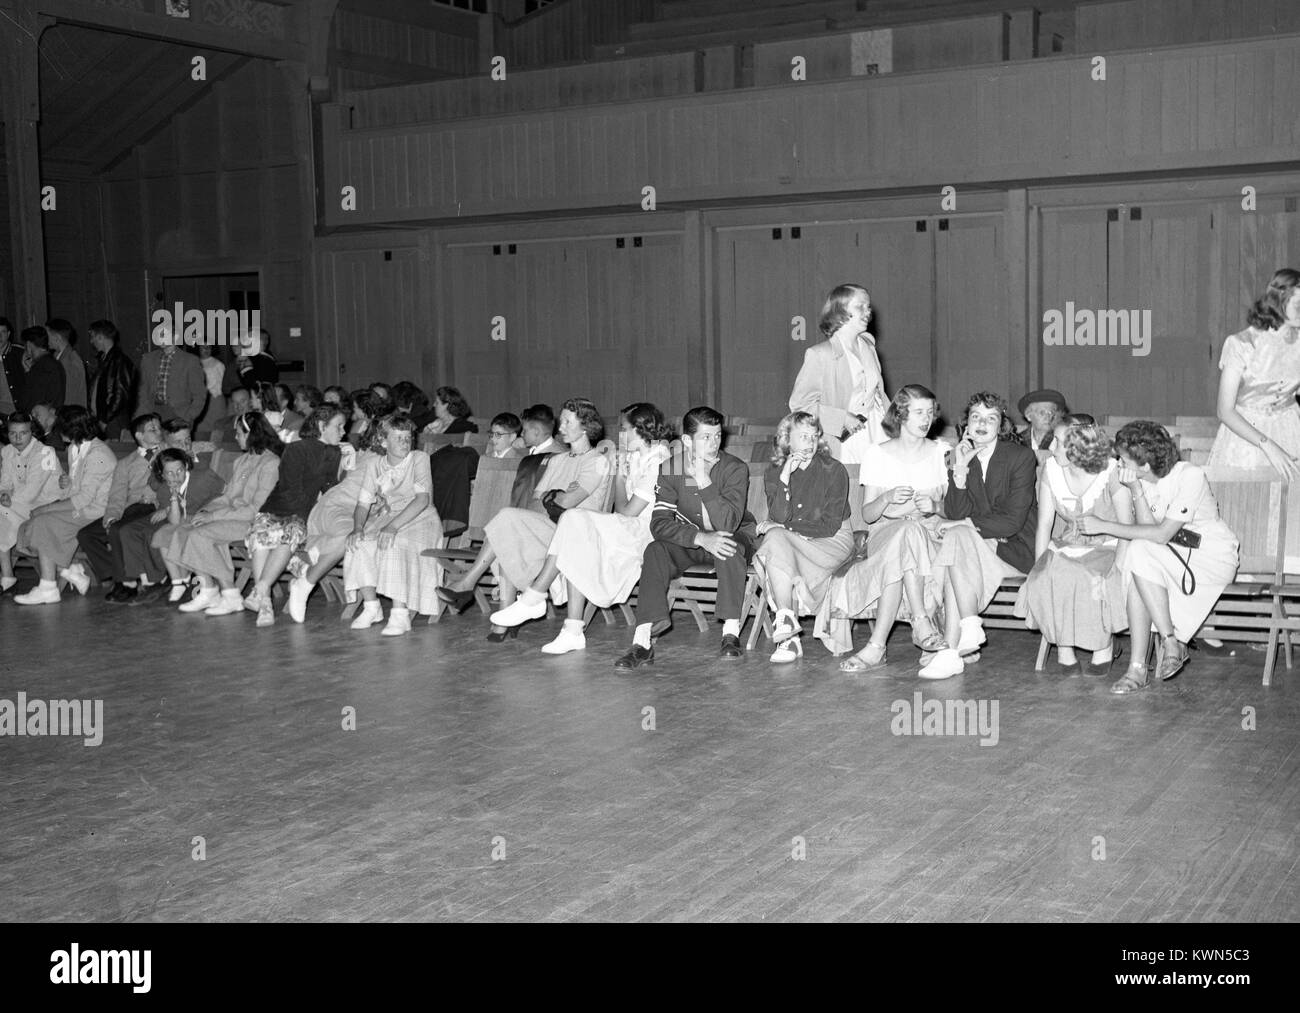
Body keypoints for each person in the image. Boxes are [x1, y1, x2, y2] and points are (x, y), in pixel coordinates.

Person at [486, 403, 671, 654]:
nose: (620, 435)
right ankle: (571, 629)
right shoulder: (635, 457)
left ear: (642, 430)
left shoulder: (659, 460)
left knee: (575, 520)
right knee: (575, 530)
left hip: (644, 532)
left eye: (625, 429)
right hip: (626, 524)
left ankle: (535, 598)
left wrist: (618, 476)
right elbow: (621, 508)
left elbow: (627, 512)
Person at [1078, 421, 1240, 694]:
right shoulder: (1138, 480)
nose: (1117, 463)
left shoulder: (1189, 475)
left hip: (1209, 557)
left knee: (1139, 553)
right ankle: (1164, 646)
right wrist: (1137, 492)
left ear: (1143, 465)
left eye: (1123, 459)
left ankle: (1143, 664)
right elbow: (1147, 531)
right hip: (1169, 554)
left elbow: (1162, 534)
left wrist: (1103, 526)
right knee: (1137, 552)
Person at [437, 398, 611, 640]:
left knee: (509, 523)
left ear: (585, 427)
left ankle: (470, 584)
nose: (560, 428)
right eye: (561, 421)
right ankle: (491, 599)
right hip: (550, 529)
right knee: (508, 522)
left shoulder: (597, 461)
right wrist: (556, 495)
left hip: (578, 537)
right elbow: (538, 501)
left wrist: (554, 497)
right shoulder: (556, 460)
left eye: (567, 422)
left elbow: (568, 503)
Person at [614, 405, 757, 668]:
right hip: (694, 539)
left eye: (717, 436)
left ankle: (730, 633)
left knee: (726, 545)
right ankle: (643, 640)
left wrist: (703, 480)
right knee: (656, 550)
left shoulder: (734, 468)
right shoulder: (671, 468)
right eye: (706, 437)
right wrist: (699, 538)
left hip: (734, 536)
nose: (714, 443)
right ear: (688, 440)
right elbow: (659, 524)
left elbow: (727, 522)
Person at [823, 385, 950, 671]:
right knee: (904, 533)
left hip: (929, 533)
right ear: (901, 414)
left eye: (930, 412)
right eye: (918, 412)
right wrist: (887, 497)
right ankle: (922, 622)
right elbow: (868, 515)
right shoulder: (876, 454)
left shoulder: (942, 452)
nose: (926, 419)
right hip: (884, 532)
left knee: (907, 540)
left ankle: (876, 647)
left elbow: (952, 508)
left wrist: (933, 506)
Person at [925, 391, 1039, 680]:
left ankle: (954, 646)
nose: (982, 423)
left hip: (1014, 548)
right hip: (976, 545)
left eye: (991, 418)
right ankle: (964, 633)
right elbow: (954, 512)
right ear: (966, 425)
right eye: (975, 417)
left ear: (1001, 425)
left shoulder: (1021, 456)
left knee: (955, 541)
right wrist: (960, 470)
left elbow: (1011, 522)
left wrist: (961, 524)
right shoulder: (959, 456)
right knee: (956, 541)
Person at [1014, 414, 1133, 672]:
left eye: (1058, 442)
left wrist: (1119, 569)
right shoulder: (1051, 469)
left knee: (1084, 576)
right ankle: (1063, 646)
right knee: (1045, 576)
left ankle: (1103, 645)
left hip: (1109, 546)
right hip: (1069, 544)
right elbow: (1045, 523)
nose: (1051, 448)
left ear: (1078, 446)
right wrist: (1039, 564)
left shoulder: (1111, 471)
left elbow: (1127, 528)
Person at [157, 411, 282, 615]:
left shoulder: (270, 463)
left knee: (199, 534)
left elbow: (255, 509)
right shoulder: (242, 461)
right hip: (231, 516)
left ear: (252, 435)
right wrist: (206, 510)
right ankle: (208, 589)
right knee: (182, 530)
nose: (235, 437)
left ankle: (230, 593)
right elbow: (227, 497)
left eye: (239, 433)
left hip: (254, 521)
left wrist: (213, 517)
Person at [753, 411, 853, 663]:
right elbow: (778, 515)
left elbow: (830, 526)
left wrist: (786, 530)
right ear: (787, 440)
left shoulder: (833, 470)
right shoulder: (774, 472)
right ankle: (787, 621)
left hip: (832, 540)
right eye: (802, 437)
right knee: (776, 541)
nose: (809, 443)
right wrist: (785, 477)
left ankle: (788, 638)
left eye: (813, 436)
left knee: (775, 541)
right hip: (790, 541)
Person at [237, 405, 348, 626]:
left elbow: (328, 488)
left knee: (289, 532)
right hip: (278, 507)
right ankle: (264, 601)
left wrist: (346, 469)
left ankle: (260, 590)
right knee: (262, 536)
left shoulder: (334, 452)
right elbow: (290, 488)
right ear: (321, 426)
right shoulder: (296, 449)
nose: (343, 431)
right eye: (339, 426)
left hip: (301, 513)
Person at [343, 413, 444, 636]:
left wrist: (393, 527)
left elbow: (422, 500)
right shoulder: (373, 465)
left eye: (408, 438)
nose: (404, 443)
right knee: (358, 543)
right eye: (398, 438)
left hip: (420, 518)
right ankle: (372, 607)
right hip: (388, 517)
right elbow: (362, 504)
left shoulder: (419, 459)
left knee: (394, 543)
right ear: (382, 441)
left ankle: (400, 613)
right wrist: (357, 528)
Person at [13, 406, 116, 605]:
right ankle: (69, 570)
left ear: (73, 430)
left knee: (43, 522)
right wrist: (67, 484)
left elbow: (83, 499)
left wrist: (46, 508)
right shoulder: (74, 449)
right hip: (82, 507)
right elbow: (76, 489)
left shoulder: (98, 454)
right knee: (31, 524)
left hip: (95, 512)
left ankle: (49, 586)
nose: (59, 433)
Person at [1206, 268, 1300, 479]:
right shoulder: (1241, 344)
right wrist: (1268, 445)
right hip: (1248, 437)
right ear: (1279, 301)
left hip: (1290, 428)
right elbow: (1224, 411)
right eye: (1298, 305)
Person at [285, 427, 381, 623]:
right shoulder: (375, 458)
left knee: (353, 536)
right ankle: (306, 581)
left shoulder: (370, 455)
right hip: (338, 508)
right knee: (352, 538)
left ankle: (310, 559)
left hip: (340, 509)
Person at [789, 284, 890, 460]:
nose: (868, 312)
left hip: (876, 433)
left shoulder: (869, 347)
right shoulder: (820, 354)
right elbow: (800, 406)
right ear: (840, 311)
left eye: (868, 307)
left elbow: (879, 396)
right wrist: (841, 418)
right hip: (843, 440)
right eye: (860, 306)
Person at [77, 413, 164, 601]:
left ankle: (127, 583)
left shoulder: (167, 452)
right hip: (129, 508)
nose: (159, 432)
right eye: (152, 429)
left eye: (159, 428)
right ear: (139, 436)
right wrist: (111, 515)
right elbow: (117, 495)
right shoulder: (126, 463)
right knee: (87, 534)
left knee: (118, 529)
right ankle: (120, 573)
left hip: (151, 505)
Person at [0, 412, 63, 594]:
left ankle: (7, 576)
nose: (18, 438)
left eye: (23, 433)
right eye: (13, 433)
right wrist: (4, 493)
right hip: (18, 504)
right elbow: (5, 482)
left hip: (47, 505)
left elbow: (32, 492)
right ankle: (7, 575)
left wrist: (7, 500)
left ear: (32, 432)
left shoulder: (45, 452)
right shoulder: (7, 451)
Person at [136, 330, 206, 425]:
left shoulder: (190, 361)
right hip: (151, 413)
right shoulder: (147, 359)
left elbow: (200, 395)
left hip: (179, 415)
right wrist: (140, 416)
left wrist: (188, 416)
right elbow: (142, 391)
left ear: (175, 337)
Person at [87, 320, 138, 440]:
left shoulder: (120, 361)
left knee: (117, 453)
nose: (91, 341)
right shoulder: (104, 360)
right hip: (105, 419)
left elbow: (121, 395)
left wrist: (105, 419)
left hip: (114, 420)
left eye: (92, 337)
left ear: (100, 337)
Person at [1015, 388, 1069, 465]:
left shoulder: (1062, 441)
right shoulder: (1017, 440)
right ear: (1029, 416)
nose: (1047, 417)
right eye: (1042, 413)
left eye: (1051, 413)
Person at [18, 327, 65, 413]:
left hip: (41, 420)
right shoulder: (53, 363)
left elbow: (32, 400)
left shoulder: (42, 367)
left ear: (29, 345)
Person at [195, 343, 227, 439]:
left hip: (215, 400)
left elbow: (222, 384)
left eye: (209, 347)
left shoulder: (218, 364)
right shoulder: (194, 362)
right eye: (203, 347)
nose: (206, 349)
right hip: (200, 401)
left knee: (216, 429)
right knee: (200, 428)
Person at [1, 317, 27, 416]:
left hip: (16, 410)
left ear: (8, 334)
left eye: (3, 332)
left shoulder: (20, 353)